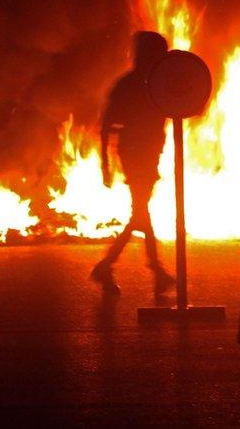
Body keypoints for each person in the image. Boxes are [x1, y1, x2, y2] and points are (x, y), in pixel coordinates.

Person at [90, 31, 177, 296]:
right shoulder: (130, 85)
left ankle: (128, 268)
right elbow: (106, 125)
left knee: (140, 213)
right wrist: (105, 164)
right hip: (135, 155)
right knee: (140, 211)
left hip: (148, 154)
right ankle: (140, 268)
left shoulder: (155, 83)